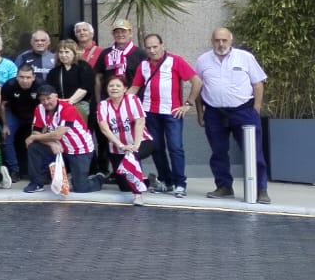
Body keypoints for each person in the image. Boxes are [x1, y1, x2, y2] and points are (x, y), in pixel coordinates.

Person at [195, 27, 270, 204]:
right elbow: (197, 87)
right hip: (214, 112)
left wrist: (256, 110)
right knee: (218, 152)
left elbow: (258, 84)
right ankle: (224, 187)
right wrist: (200, 112)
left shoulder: (245, 58)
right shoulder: (202, 60)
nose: (221, 44)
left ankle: (261, 189)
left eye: (224, 40)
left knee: (254, 152)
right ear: (212, 41)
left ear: (231, 40)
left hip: (243, 111)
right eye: (217, 40)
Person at [132, 33, 200, 198]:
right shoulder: (143, 65)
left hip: (172, 112)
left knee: (175, 147)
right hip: (149, 112)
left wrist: (188, 104)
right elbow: (134, 88)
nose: (152, 50)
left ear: (163, 45)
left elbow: (197, 81)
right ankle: (166, 181)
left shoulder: (175, 60)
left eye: (155, 47)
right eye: (148, 48)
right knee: (157, 148)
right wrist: (117, 104)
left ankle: (179, 183)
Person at [23, 85, 101, 195]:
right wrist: (50, 143)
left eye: (48, 98)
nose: (45, 102)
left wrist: (35, 137)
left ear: (56, 96)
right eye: (42, 99)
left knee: (81, 188)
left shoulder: (67, 108)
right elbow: (36, 131)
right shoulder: (39, 108)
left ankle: (99, 178)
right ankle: (36, 183)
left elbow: (58, 134)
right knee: (33, 146)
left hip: (79, 148)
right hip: (59, 145)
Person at [97, 74, 151, 205]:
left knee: (132, 157)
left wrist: (135, 145)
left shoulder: (132, 99)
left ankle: (138, 195)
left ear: (125, 88)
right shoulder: (103, 105)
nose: (114, 88)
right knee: (124, 187)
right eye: (111, 86)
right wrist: (121, 145)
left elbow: (140, 121)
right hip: (117, 147)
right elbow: (104, 128)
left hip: (141, 141)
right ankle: (148, 181)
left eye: (118, 86)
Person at [0, 63, 41, 177]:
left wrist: (43, 125)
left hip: (34, 115)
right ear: (17, 77)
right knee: (7, 136)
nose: (25, 80)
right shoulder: (10, 85)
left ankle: (40, 170)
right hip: (14, 113)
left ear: (33, 77)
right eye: (22, 77)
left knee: (39, 138)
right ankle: (14, 169)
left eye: (28, 77)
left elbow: (45, 106)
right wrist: (5, 124)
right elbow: (2, 105)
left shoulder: (40, 85)